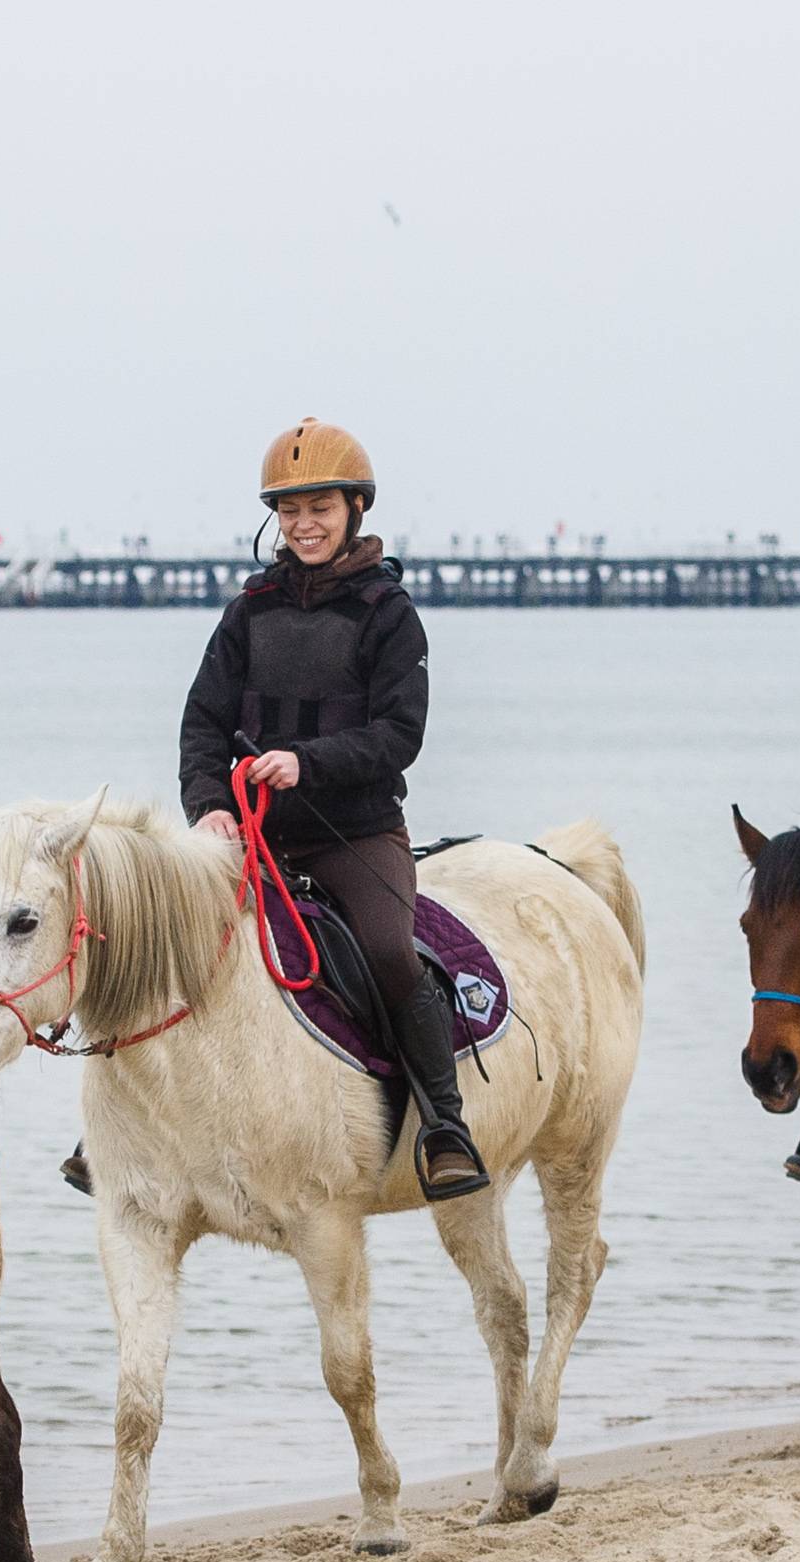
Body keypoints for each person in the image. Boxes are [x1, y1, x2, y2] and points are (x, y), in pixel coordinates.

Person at [178, 418, 488, 1201]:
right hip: (251, 836)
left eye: (318, 507)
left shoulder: (389, 613)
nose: (303, 525)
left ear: (354, 507)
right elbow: (201, 725)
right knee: (170, 933)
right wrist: (210, 805)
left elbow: (399, 735)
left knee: (388, 949)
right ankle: (138, 1128)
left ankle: (445, 1126)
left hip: (355, 835)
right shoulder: (248, 611)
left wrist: (304, 762)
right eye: (289, 512)